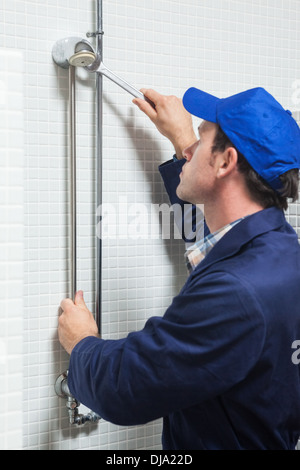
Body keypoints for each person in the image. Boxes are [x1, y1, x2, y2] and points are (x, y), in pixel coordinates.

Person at [58, 86, 300, 450]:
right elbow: (215, 251)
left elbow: (125, 388)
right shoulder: (279, 251)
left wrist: (81, 344)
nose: (190, 149)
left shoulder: (236, 291)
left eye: (200, 141)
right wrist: (184, 142)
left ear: (224, 162)